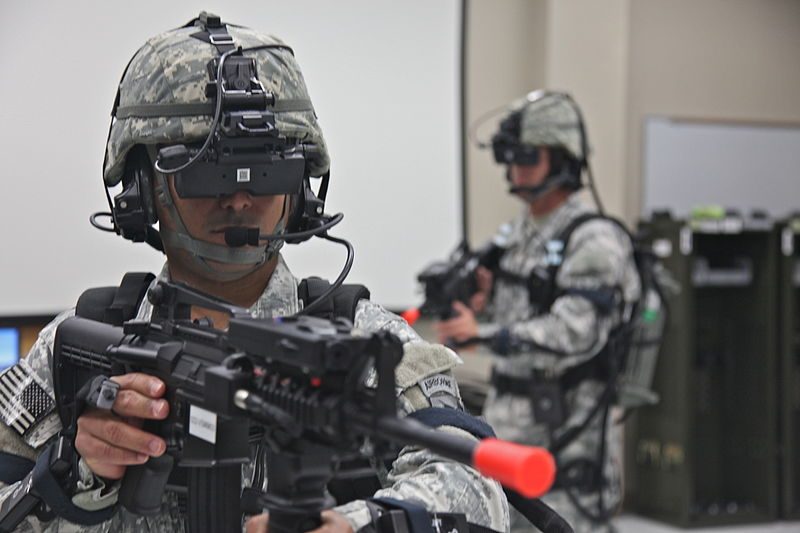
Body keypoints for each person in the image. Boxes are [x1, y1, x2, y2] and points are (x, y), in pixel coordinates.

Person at [0, 13, 509, 533]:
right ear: (142, 188)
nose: (240, 198)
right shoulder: (80, 346)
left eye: (268, 170)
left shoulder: (360, 343)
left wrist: (364, 523)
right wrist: (75, 473)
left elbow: (479, 486)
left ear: (300, 190)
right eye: (205, 171)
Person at [435, 91, 641, 533]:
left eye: (528, 156)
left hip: (565, 446)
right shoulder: (517, 233)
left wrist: (484, 335)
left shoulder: (594, 239)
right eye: (510, 157)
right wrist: (482, 304)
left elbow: (575, 333)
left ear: (563, 159)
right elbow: (520, 310)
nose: (516, 168)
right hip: (509, 430)